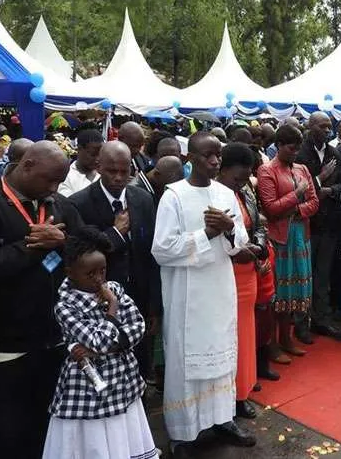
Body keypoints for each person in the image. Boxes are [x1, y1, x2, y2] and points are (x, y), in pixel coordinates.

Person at [0, 141, 83, 458]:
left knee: (48, 424)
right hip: (4, 342)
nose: (55, 189)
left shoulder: (55, 201)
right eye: (49, 180)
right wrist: (36, 246)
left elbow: (84, 249)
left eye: (59, 181)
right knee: (10, 430)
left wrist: (63, 241)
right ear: (26, 166)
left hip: (52, 336)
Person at [151, 131, 254, 452]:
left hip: (220, 288)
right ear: (189, 159)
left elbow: (240, 244)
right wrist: (207, 233)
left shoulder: (225, 194)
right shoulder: (174, 197)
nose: (214, 161)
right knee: (187, 364)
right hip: (187, 295)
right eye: (207, 155)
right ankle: (182, 433)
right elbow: (162, 249)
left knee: (223, 354)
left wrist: (230, 229)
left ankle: (222, 418)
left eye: (217, 155)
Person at [42, 227, 157, 459]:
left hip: (123, 381)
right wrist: (113, 311)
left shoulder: (114, 289)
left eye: (102, 271)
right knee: (95, 442)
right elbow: (98, 342)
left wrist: (107, 346)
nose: (99, 279)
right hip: (86, 389)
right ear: (70, 272)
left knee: (121, 435)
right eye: (90, 274)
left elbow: (138, 326)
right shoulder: (65, 306)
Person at [69, 141, 161, 378]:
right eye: (112, 171)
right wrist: (116, 234)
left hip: (139, 295)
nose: (119, 177)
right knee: (107, 361)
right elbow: (82, 256)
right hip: (101, 299)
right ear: (99, 167)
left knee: (139, 359)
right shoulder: (79, 203)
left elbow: (151, 253)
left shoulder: (143, 198)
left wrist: (153, 304)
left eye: (125, 171)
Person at [256, 124, 319, 358]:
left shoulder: (302, 168)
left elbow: (314, 203)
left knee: (295, 292)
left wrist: (293, 209)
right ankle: (272, 345)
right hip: (279, 239)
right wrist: (297, 194)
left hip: (300, 235)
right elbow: (271, 209)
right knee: (278, 294)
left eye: (297, 149)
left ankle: (287, 338)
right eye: (291, 149)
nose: (295, 153)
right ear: (279, 145)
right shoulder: (266, 171)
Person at [217, 142, 269, 421]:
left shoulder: (245, 192)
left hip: (247, 274)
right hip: (225, 274)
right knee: (228, 337)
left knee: (245, 334)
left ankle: (241, 392)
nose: (241, 183)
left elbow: (257, 226)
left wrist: (258, 247)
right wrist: (238, 250)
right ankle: (226, 396)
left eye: (245, 177)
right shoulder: (214, 196)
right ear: (222, 170)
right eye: (237, 177)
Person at [295, 112, 341, 339]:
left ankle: (321, 319)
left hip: (329, 224)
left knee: (323, 275)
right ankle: (301, 322)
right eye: (322, 126)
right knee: (304, 276)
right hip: (307, 224)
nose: (327, 130)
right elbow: (297, 186)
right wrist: (319, 179)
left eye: (329, 127)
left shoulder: (334, 153)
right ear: (310, 126)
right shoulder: (300, 153)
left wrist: (330, 191)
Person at [58, 129, 103, 197]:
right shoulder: (66, 177)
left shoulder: (104, 174)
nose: (97, 159)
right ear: (79, 149)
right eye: (93, 154)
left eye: (100, 154)